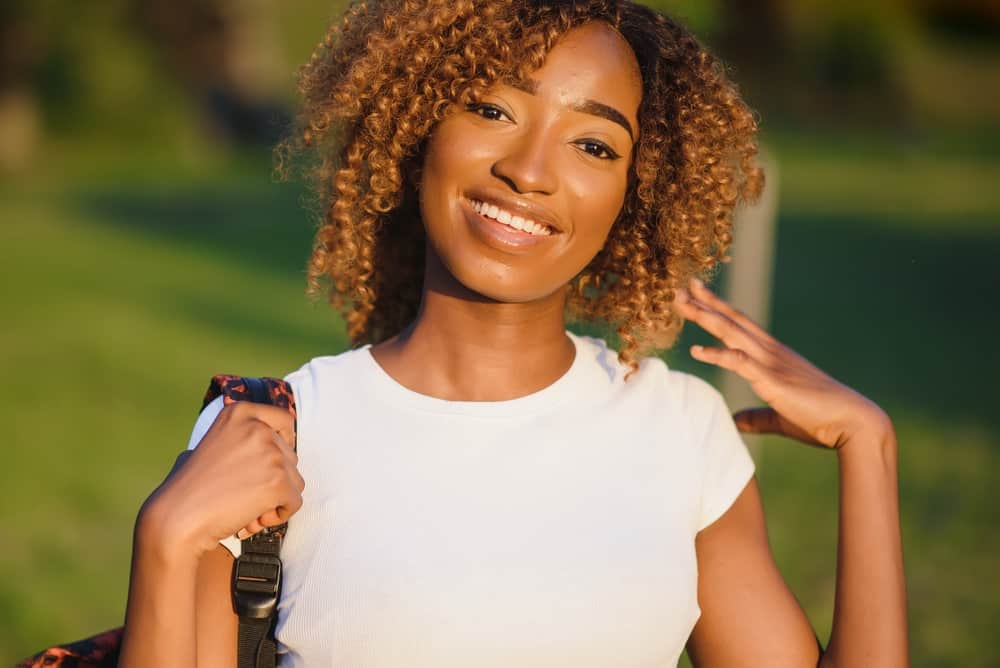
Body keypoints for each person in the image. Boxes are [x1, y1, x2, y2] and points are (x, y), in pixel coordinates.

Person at [118, 1, 908, 666]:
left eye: (594, 145)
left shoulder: (681, 433)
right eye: (493, 110)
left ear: (633, 194)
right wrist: (163, 539)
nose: (529, 170)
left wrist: (867, 446)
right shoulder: (275, 433)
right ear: (421, 125)